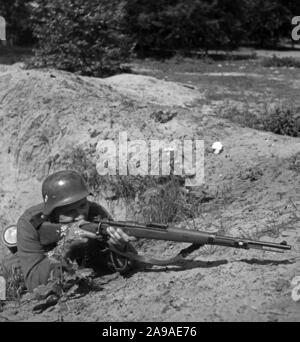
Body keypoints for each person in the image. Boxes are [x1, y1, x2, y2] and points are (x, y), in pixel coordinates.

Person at [17, 170, 136, 292]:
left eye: (83, 206)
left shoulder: (94, 212)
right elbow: (34, 284)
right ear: (52, 212)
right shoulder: (30, 224)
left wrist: (120, 249)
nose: (81, 217)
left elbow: (127, 261)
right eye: (70, 212)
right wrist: (65, 248)